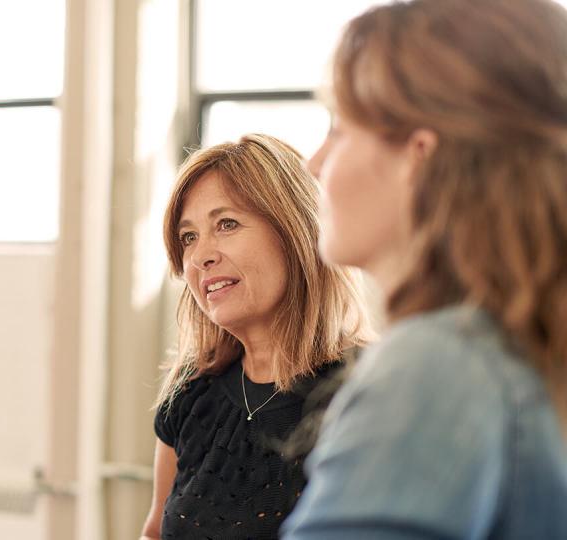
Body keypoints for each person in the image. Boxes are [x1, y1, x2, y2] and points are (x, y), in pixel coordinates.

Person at [281, 0, 567, 537]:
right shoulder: (528, 357)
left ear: (420, 156)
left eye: (340, 130)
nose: (313, 162)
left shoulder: (436, 365)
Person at [141, 134, 373, 539]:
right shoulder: (192, 390)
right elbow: (154, 532)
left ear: (295, 231)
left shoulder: (370, 389)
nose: (199, 256)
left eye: (226, 224)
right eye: (188, 237)